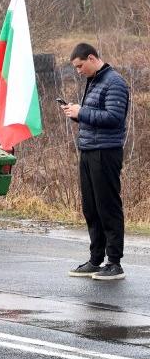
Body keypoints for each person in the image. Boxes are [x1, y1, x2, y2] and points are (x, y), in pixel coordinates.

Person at [61, 43, 129, 281]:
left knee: (107, 206)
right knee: (91, 207)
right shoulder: (94, 81)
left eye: (80, 66)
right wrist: (76, 113)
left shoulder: (114, 82)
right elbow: (94, 116)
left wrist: (82, 113)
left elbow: (113, 117)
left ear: (91, 58)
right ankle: (96, 259)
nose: (78, 71)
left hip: (106, 153)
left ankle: (114, 262)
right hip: (89, 150)